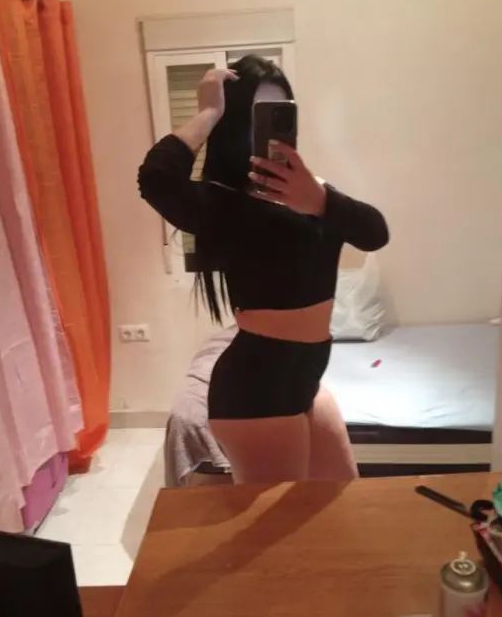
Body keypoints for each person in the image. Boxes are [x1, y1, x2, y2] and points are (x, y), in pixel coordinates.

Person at [138, 55, 389, 483]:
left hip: (304, 381)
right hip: (257, 391)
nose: (270, 127)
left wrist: (320, 201)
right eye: (257, 114)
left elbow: (375, 234)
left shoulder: (310, 191)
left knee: (345, 503)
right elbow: (156, 178)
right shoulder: (222, 202)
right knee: (279, 520)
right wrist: (209, 111)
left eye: (281, 110)